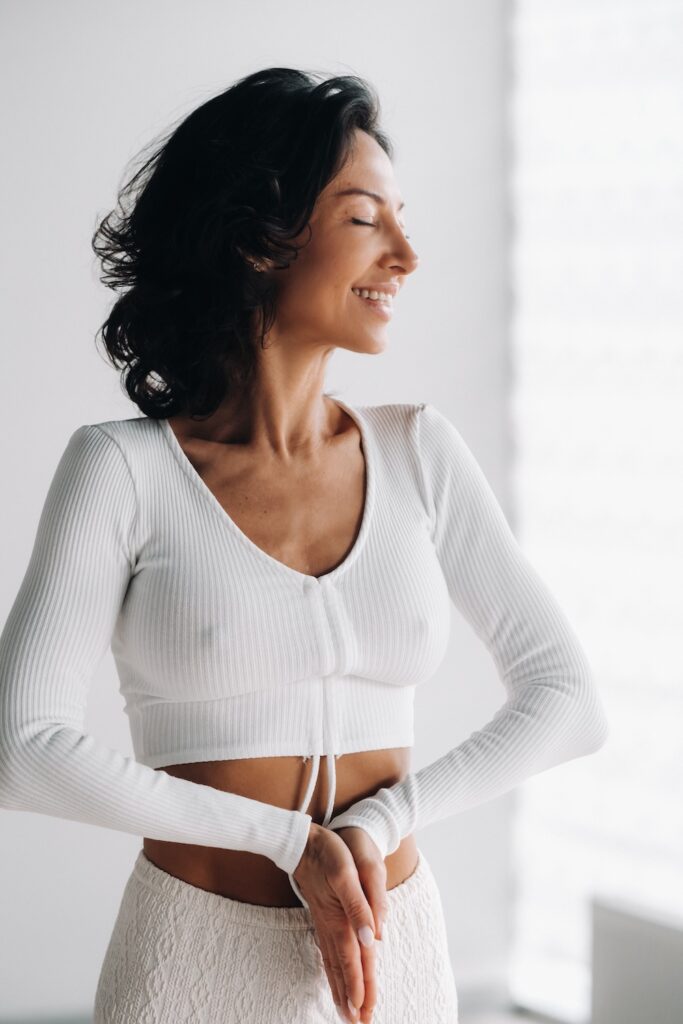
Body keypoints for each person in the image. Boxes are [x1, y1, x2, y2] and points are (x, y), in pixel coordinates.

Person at [0, 67, 609, 1024]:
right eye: (366, 218)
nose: (405, 254)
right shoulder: (121, 470)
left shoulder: (417, 450)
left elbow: (569, 702)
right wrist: (289, 842)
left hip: (392, 945)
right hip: (194, 955)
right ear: (256, 239)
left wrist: (380, 819)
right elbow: (20, 749)